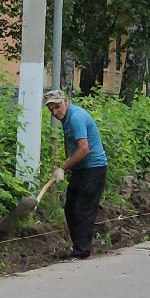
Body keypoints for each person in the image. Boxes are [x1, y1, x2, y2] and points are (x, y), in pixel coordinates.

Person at [45, 90, 109, 259]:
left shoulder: (76, 117)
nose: (55, 112)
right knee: (71, 208)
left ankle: (82, 251)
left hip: (94, 168)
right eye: (51, 110)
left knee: (83, 209)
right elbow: (71, 145)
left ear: (65, 101)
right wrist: (68, 166)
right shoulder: (66, 120)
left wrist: (63, 169)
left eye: (57, 107)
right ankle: (78, 248)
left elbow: (84, 149)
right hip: (81, 168)